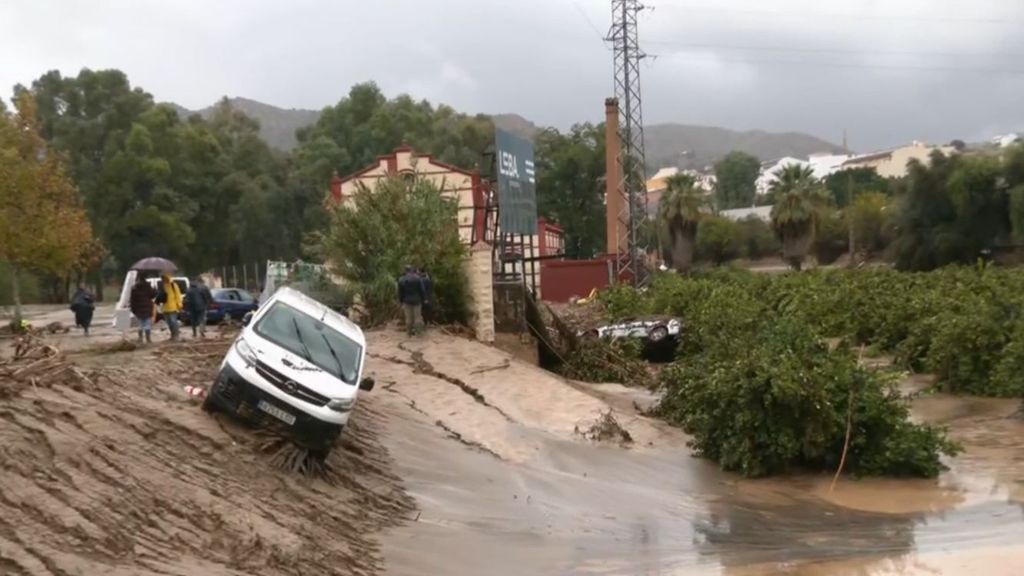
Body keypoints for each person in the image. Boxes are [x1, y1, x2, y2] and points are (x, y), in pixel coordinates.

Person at [397, 265, 425, 336]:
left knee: (408, 318)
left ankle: (409, 333)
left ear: (405, 270)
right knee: (418, 317)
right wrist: (424, 299)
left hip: (407, 301)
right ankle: (419, 334)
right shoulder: (418, 278)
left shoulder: (401, 279)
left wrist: (401, 301)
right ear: (412, 270)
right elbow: (422, 290)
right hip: (417, 300)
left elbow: (400, 292)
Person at [155, 272, 184, 342]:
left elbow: (178, 295)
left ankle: (176, 336)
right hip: (165, 307)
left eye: (164, 278)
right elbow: (160, 295)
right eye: (162, 278)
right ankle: (172, 335)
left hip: (173, 307)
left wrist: (179, 305)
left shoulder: (173, 285)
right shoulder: (162, 286)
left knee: (173, 321)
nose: (163, 279)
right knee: (169, 322)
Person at [129, 275, 157, 344]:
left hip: (138, 309)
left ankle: (140, 338)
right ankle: (148, 339)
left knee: (140, 324)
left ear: (138, 279)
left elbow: (132, 300)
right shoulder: (148, 286)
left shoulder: (134, 288)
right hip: (147, 308)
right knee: (147, 324)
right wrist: (154, 290)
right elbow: (152, 296)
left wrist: (133, 310)